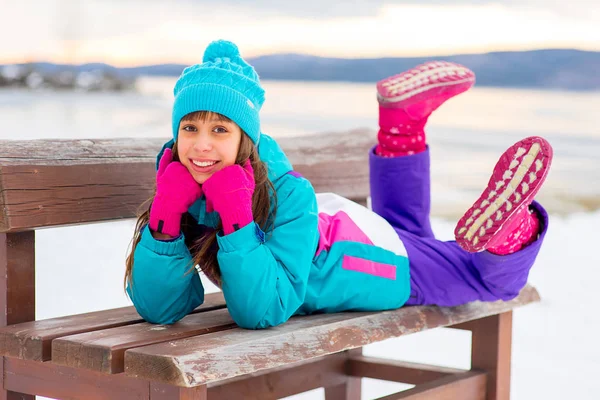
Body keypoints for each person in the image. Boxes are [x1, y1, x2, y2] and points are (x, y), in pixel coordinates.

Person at [124, 40, 553, 329]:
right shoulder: (179, 189)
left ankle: (513, 229)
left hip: (354, 259)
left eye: (220, 130)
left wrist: (237, 220)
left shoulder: (287, 193)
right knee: (410, 234)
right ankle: (402, 123)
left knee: (492, 284)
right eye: (189, 127)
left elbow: (262, 310)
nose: (200, 145)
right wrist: (164, 222)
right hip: (348, 234)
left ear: (245, 141)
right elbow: (162, 308)